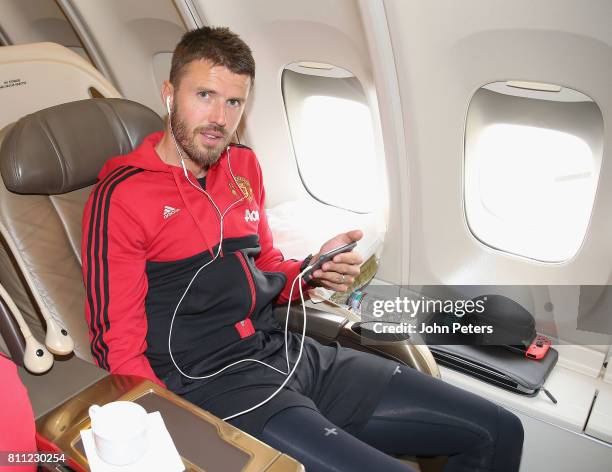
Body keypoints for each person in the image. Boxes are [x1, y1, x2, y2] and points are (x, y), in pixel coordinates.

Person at [82, 26, 524, 472]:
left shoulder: (242, 166)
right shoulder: (121, 196)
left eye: (234, 102)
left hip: (284, 351)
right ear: (170, 94)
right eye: (204, 95)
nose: (219, 117)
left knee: (501, 428)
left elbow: (267, 268)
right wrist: (169, 429)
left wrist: (312, 271)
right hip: (212, 383)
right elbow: (115, 344)